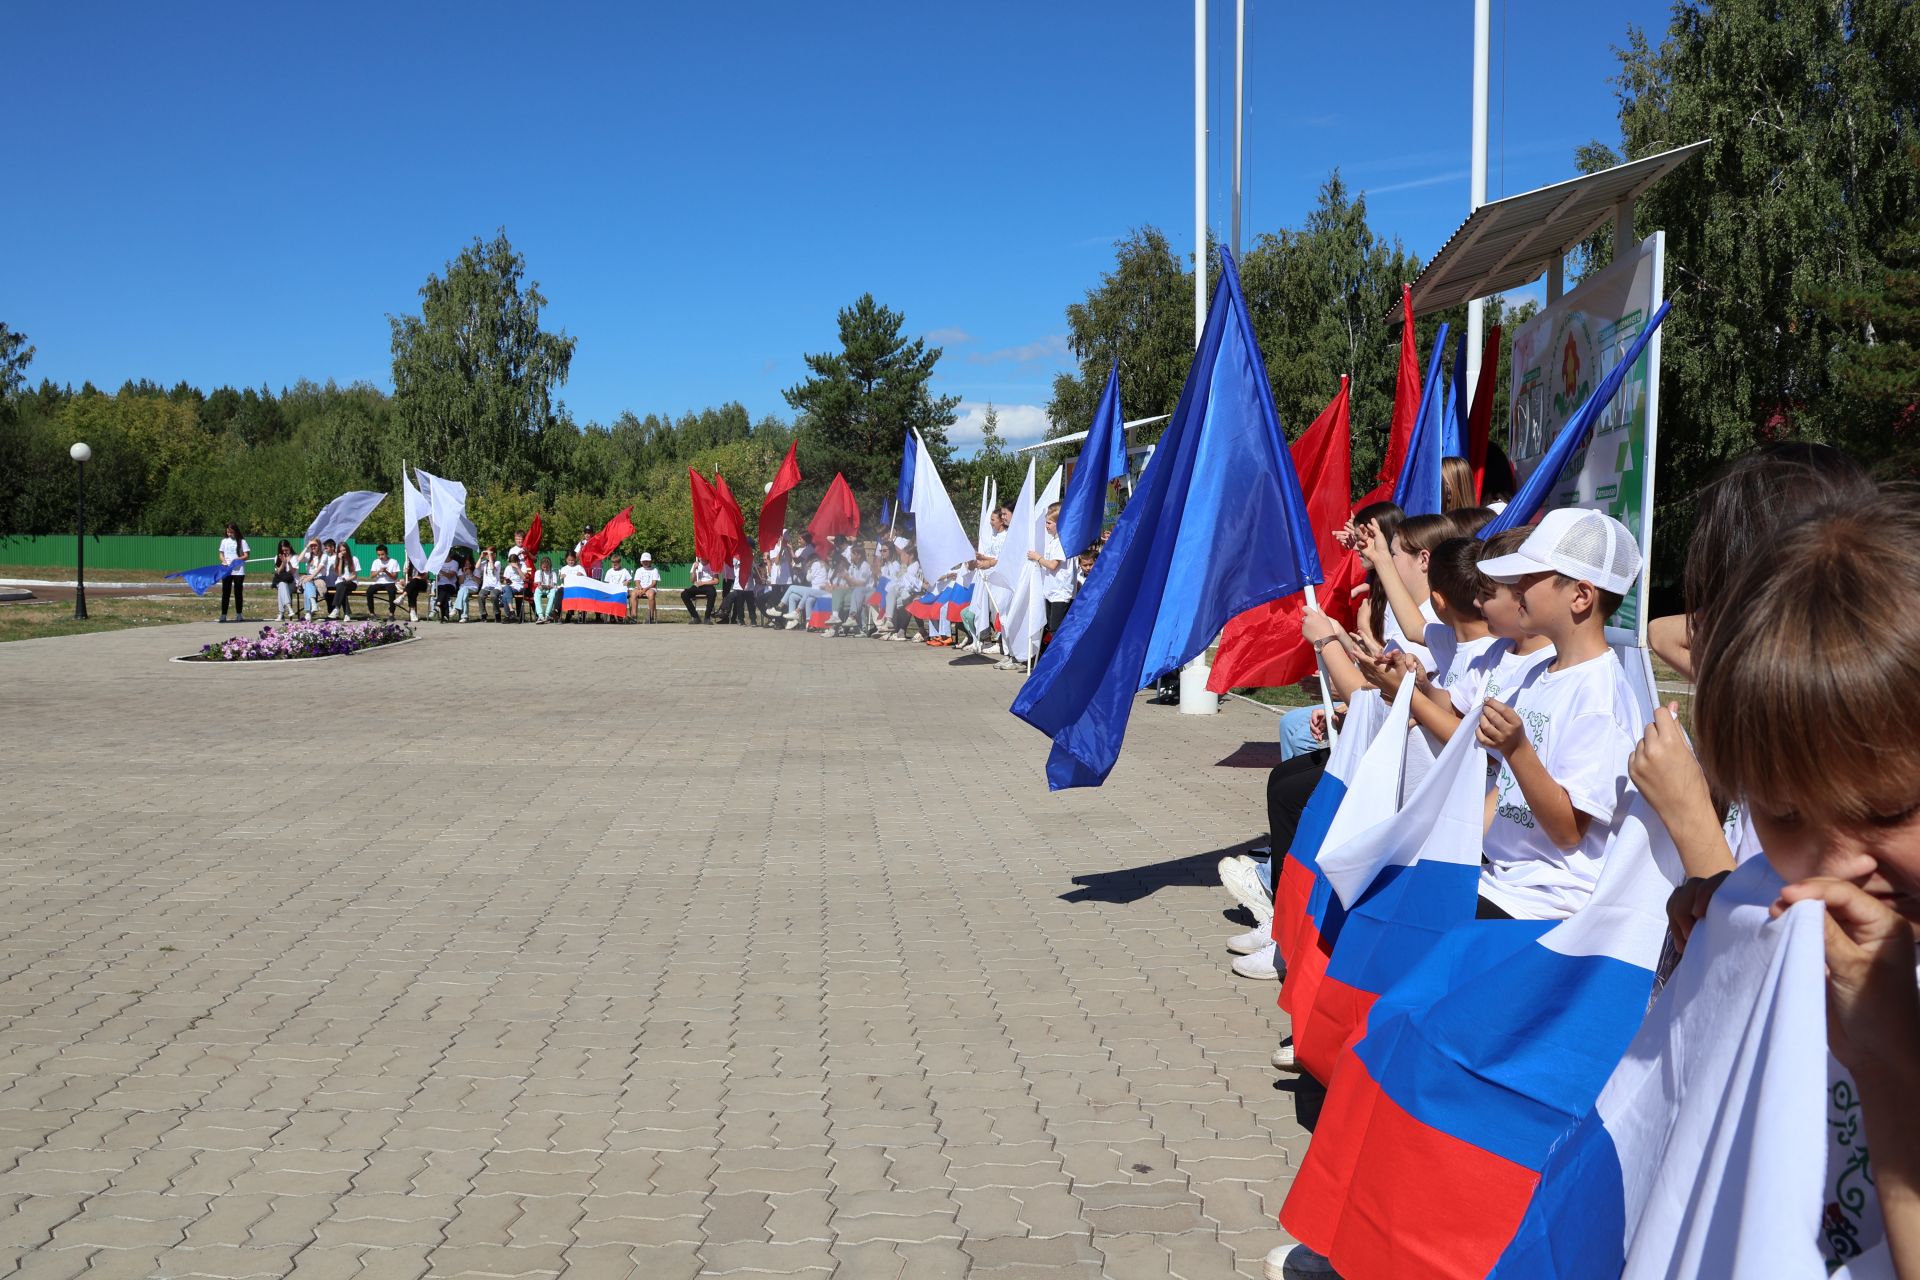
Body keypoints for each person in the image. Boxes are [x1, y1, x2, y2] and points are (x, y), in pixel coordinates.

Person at [1684, 492, 1920, 1278]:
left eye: (1889, 809)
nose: (1836, 864)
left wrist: (1889, 1057)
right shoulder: (1763, 899)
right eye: (1782, 814)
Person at [1472, 508, 1644, 921]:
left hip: (1550, 899)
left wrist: (1516, 750)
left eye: (1529, 578)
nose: (1516, 589)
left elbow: (1568, 831)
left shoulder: (1600, 695)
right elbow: (1508, 792)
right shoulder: (1540, 673)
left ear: (1581, 596)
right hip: (1505, 880)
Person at [217, 522, 250, 623]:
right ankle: (223, 615)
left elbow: (246, 555)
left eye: (231, 532)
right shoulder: (224, 541)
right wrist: (223, 561)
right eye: (227, 532)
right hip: (226, 569)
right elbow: (221, 554)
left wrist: (237, 559)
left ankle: (239, 614)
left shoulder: (242, 542)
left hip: (238, 571)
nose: (229, 534)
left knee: (238, 592)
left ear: (235, 531)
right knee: (225, 592)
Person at [326, 540, 361, 619]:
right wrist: (340, 560)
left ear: (347, 550)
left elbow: (355, 575)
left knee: (342, 586)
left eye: (344, 550)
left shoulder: (354, 559)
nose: (343, 552)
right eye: (341, 551)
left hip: (352, 582)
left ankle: (336, 608)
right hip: (340, 582)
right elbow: (339, 574)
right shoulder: (337, 560)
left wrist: (347, 579)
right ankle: (347, 614)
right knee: (342, 590)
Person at [364, 544, 401, 618]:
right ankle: (372, 613)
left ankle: (391, 613)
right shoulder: (375, 562)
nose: (380, 556)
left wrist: (386, 572)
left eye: (382, 554)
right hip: (379, 582)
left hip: (389, 582)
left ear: (386, 553)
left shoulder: (393, 561)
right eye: (378, 555)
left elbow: (395, 577)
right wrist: (379, 571)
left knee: (392, 591)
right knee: (369, 591)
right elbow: (371, 576)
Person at [682, 557, 718, 623]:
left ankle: (707, 618)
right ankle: (695, 617)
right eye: (699, 556)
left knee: (712, 593)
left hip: (708, 585)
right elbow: (692, 580)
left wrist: (703, 583)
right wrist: (694, 569)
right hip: (697, 585)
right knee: (684, 594)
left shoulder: (713, 564)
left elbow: (716, 581)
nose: (701, 558)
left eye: (703, 556)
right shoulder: (696, 564)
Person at [270, 540, 298, 622]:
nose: (285, 552)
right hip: (282, 581)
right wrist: (283, 562)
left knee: (281, 587)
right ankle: (289, 608)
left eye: (286, 550)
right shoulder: (277, 557)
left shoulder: (294, 557)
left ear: (290, 547)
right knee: (282, 584)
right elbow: (278, 572)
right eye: (283, 550)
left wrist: (288, 563)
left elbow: (292, 572)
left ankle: (281, 613)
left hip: (292, 582)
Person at [557, 551, 589, 622]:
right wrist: (562, 576)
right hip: (566, 587)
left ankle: (570, 614)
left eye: (572, 560)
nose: (571, 562)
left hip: (576, 588)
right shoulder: (564, 569)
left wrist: (581, 575)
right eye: (569, 560)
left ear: (575, 560)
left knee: (576, 593)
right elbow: (561, 579)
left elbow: (585, 578)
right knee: (559, 591)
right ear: (566, 560)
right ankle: (557, 612)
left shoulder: (579, 567)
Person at [601, 554, 634, 624]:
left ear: (619, 563)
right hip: (611, 591)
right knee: (609, 597)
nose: (614, 565)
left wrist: (627, 582)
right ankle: (612, 615)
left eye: (616, 564)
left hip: (620, 592)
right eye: (613, 563)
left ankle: (620, 615)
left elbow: (629, 580)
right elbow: (606, 583)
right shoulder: (609, 571)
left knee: (619, 598)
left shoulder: (624, 571)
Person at [630, 552, 661, 622]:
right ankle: (634, 616)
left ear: (650, 561)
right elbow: (637, 581)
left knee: (651, 595)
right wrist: (640, 588)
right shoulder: (639, 570)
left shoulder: (654, 570)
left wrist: (645, 589)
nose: (645, 563)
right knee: (633, 594)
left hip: (650, 588)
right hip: (640, 588)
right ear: (641, 562)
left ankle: (651, 615)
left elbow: (654, 583)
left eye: (647, 561)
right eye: (644, 561)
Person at [533, 555, 560, 623]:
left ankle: (548, 614)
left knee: (553, 593)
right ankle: (540, 615)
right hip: (541, 588)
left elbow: (553, 584)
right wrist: (542, 586)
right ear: (541, 566)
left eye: (547, 567)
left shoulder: (553, 573)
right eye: (543, 567)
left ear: (550, 566)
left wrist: (549, 586)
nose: (545, 569)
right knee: (536, 593)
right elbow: (538, 584)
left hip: (550, 589)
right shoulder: (538, 572)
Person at [500, 551, 526, 622]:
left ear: (518, 561)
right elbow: (505, 581)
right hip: (510, 587)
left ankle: (508, 615)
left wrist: (517, 568)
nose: (512, 565)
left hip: (519, 587)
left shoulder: (522, 566)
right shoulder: (508, 568)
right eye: (511, 563)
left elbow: (524, 578)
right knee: (506, 591)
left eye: (514, 562)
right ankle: (511, 611)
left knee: (505, 593)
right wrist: (507, 581)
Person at [433, 557, 461, 621]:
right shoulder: (438, 562)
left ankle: (438, 605)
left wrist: (440, 570)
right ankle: (444, 615)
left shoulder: (454, 563)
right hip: (439, 586)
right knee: (444, 593)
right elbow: (437, 579)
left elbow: (450, 576)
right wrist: (436, 575)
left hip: (451, 585)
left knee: (444, 590)